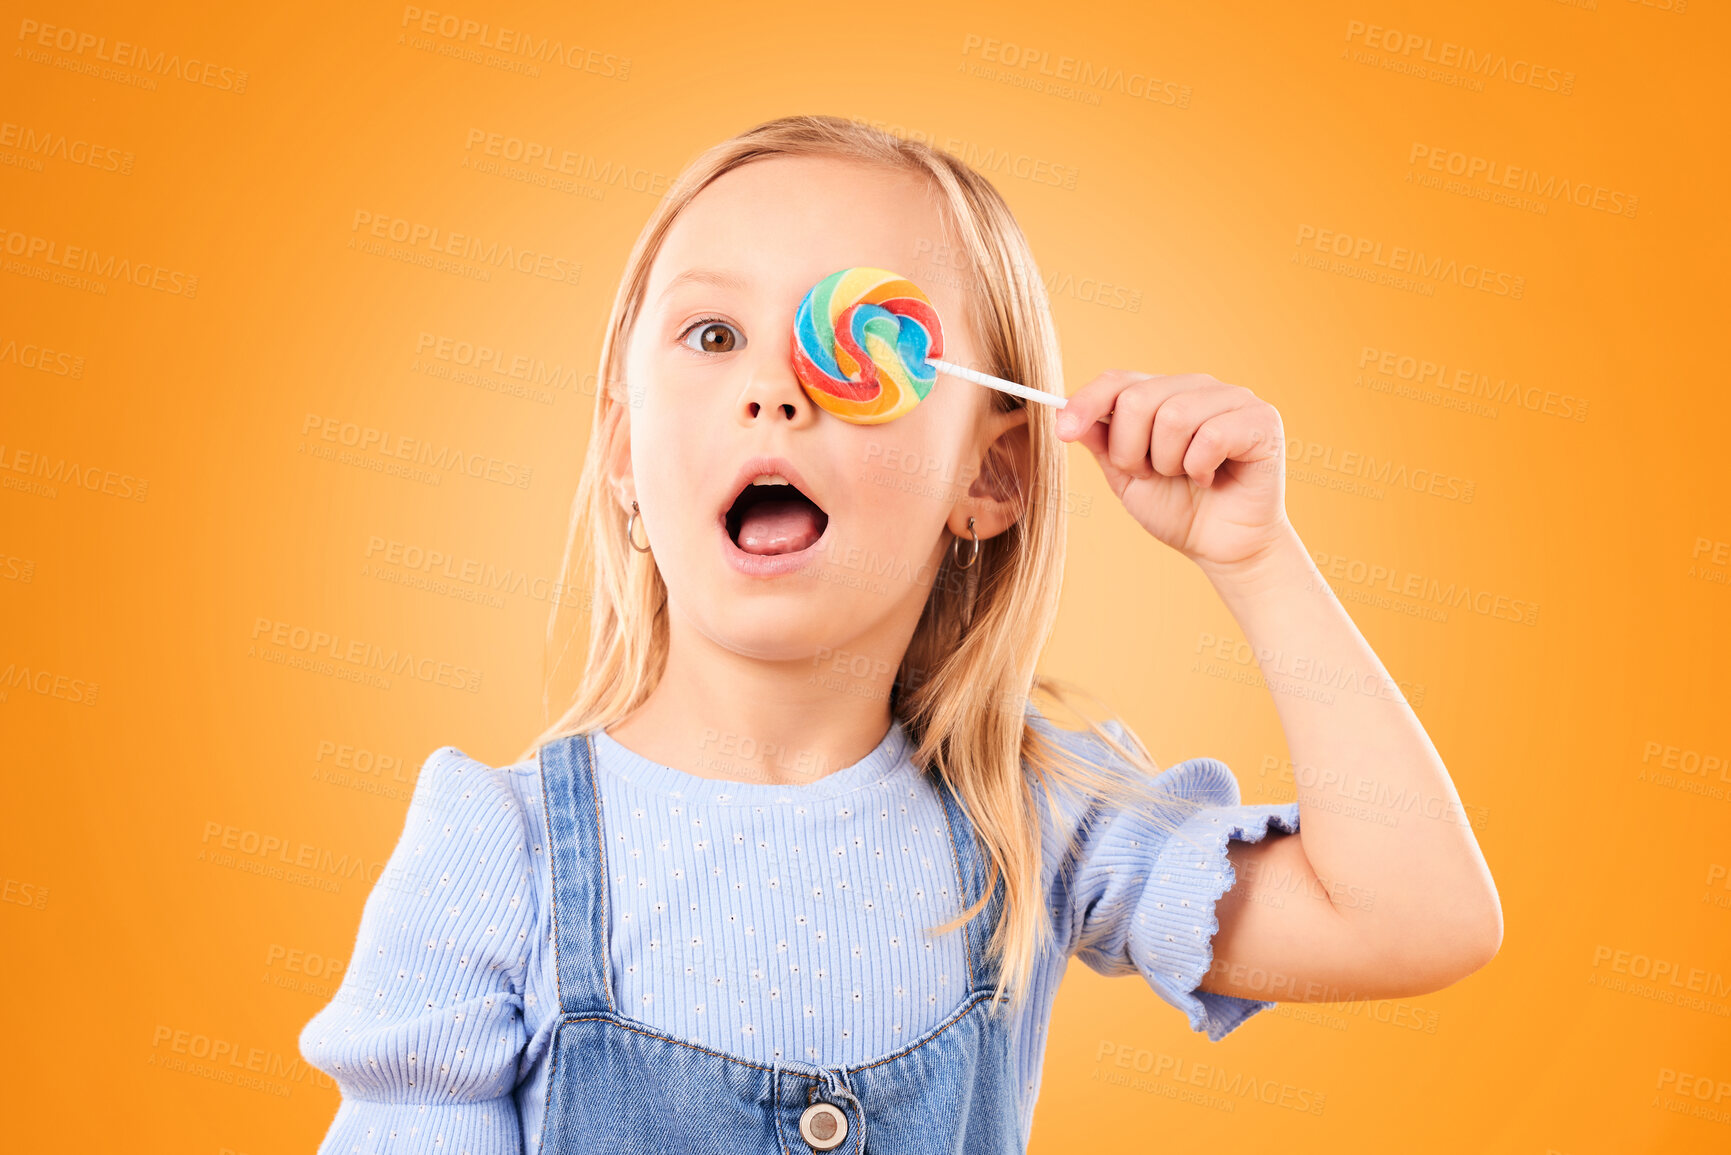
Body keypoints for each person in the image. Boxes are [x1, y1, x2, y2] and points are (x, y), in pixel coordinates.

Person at [299, 113, 1502, 1153]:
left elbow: (1416, 918)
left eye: (872, 345)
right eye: (713, 336)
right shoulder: (495, 856)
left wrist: (1255, 559)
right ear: (623, 450)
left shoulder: (1030, 818)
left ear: (989, 474)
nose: (777, 388)